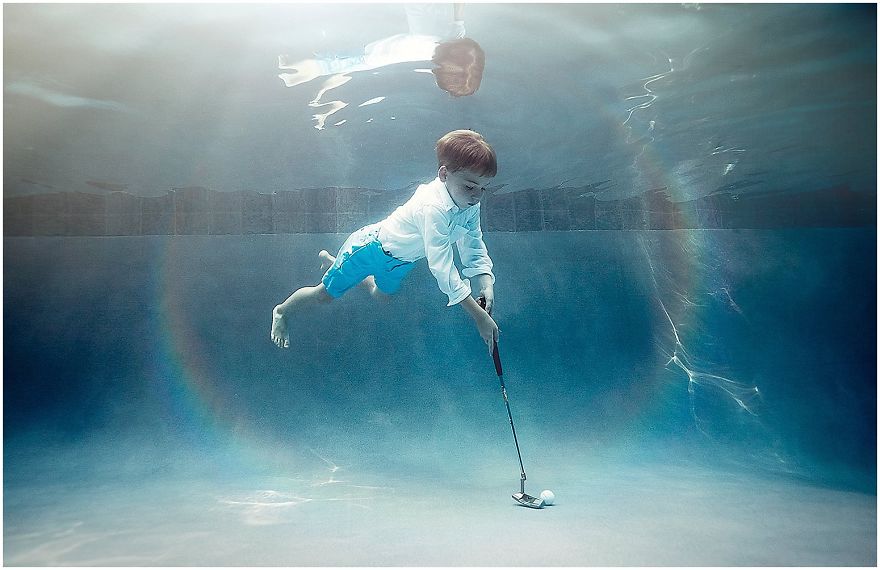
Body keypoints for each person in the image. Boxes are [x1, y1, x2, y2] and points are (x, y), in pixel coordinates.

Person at [271, 129, 499, 355]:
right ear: (443, 174)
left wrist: (485, 284)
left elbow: (473, 244)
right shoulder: (433, 208)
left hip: (401, 261)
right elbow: (442, 267)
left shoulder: (468, 204)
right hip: (367, 249)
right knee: (324, 296)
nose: (476, 196)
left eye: (482, 189)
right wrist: (478, 316)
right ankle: (282, 311)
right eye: (469, 187)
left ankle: (334, 263)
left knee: (381, 295)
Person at [278, 4, 485, 127]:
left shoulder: (455, 39)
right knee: (333, 64)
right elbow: (364, 59)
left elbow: (459, 14)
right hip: (369, 54)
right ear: (437, 72)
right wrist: (319, 69)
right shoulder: (417, 48)